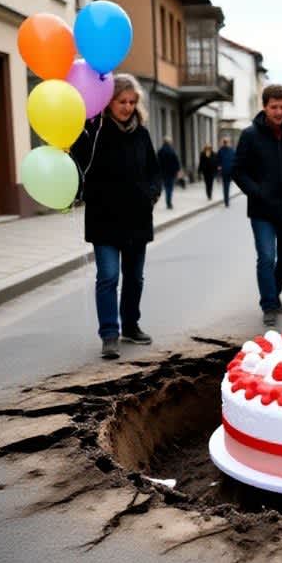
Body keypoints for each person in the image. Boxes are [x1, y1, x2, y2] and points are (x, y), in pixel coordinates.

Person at [72, 74, 161, 359]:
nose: (127, 107)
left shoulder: (142, 134)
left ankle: (131, 326)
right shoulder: (93, 132)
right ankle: (109, 334)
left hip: (136, 218)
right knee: (108, 277)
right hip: (104, 218)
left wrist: (151, 193)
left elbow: (153, 170)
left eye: (132, 102)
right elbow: (79, 166)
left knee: (134, 278)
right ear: (107, 101)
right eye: (122, 101)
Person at [232, 84, 282, 327]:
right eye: (274, 107)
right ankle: (268, 304)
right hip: (262, 210)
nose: (279, 112)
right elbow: (238, 170)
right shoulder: (250, 135)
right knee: (267, 257)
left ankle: (273, 292)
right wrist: (256, 192)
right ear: (265, 107)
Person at [157, 135, 181, 210]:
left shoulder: (160, 151)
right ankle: (169, 202)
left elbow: (157, 162)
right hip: (171, 173)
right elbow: (176, 161)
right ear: (169, 142)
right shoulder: (172, 150)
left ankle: (168, 201)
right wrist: (178, 170)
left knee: (166, 187)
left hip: (163, 173)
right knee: (170, 188)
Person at [217, 137, 235, 207]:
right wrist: (219, 167)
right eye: (225, 142)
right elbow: (218, 161)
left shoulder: (231, 151)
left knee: (226, 187)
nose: (226, 143)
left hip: (229, 172)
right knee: (226, 187)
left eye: (226, 142)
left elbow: (235, 161)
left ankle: (226, 200)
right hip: (225, 172)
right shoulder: (221, 151)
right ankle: (226, 201)